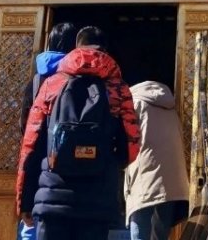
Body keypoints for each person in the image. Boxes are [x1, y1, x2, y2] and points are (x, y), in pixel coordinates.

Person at [17, 25, 140, 240]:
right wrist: (106, 162)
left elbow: (31, 144)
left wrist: (25, 200)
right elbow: (131, 146)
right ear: (106, 50)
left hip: (52, 194)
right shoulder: (118, 89)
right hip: (97, 199)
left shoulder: (52, 84)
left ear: (76, 48)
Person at [19, 23, 78, 240]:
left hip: (36, 167)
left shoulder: (36, 82)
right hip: (69, 171)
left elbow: (24, 131)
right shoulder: (80, 81)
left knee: (30, 229)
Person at [124, 81, 189, 240]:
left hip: (145, 175)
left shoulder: (134, 103)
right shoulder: (170, 107)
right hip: (172, 179)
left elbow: (127, 139)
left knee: (140, 223)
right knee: (160, 233)